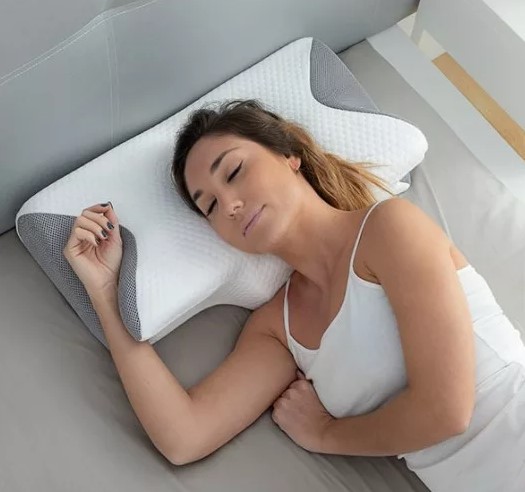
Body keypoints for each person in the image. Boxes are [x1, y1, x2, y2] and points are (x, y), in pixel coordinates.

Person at [63, 99, 525, 491]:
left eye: (235, 172)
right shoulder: (276, 328)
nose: (230, 205)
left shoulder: (389, 228)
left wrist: (326, 434)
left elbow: (447, 411)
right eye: (210, 206)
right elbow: (184, 437)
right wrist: (104, 292)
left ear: (289, 155)